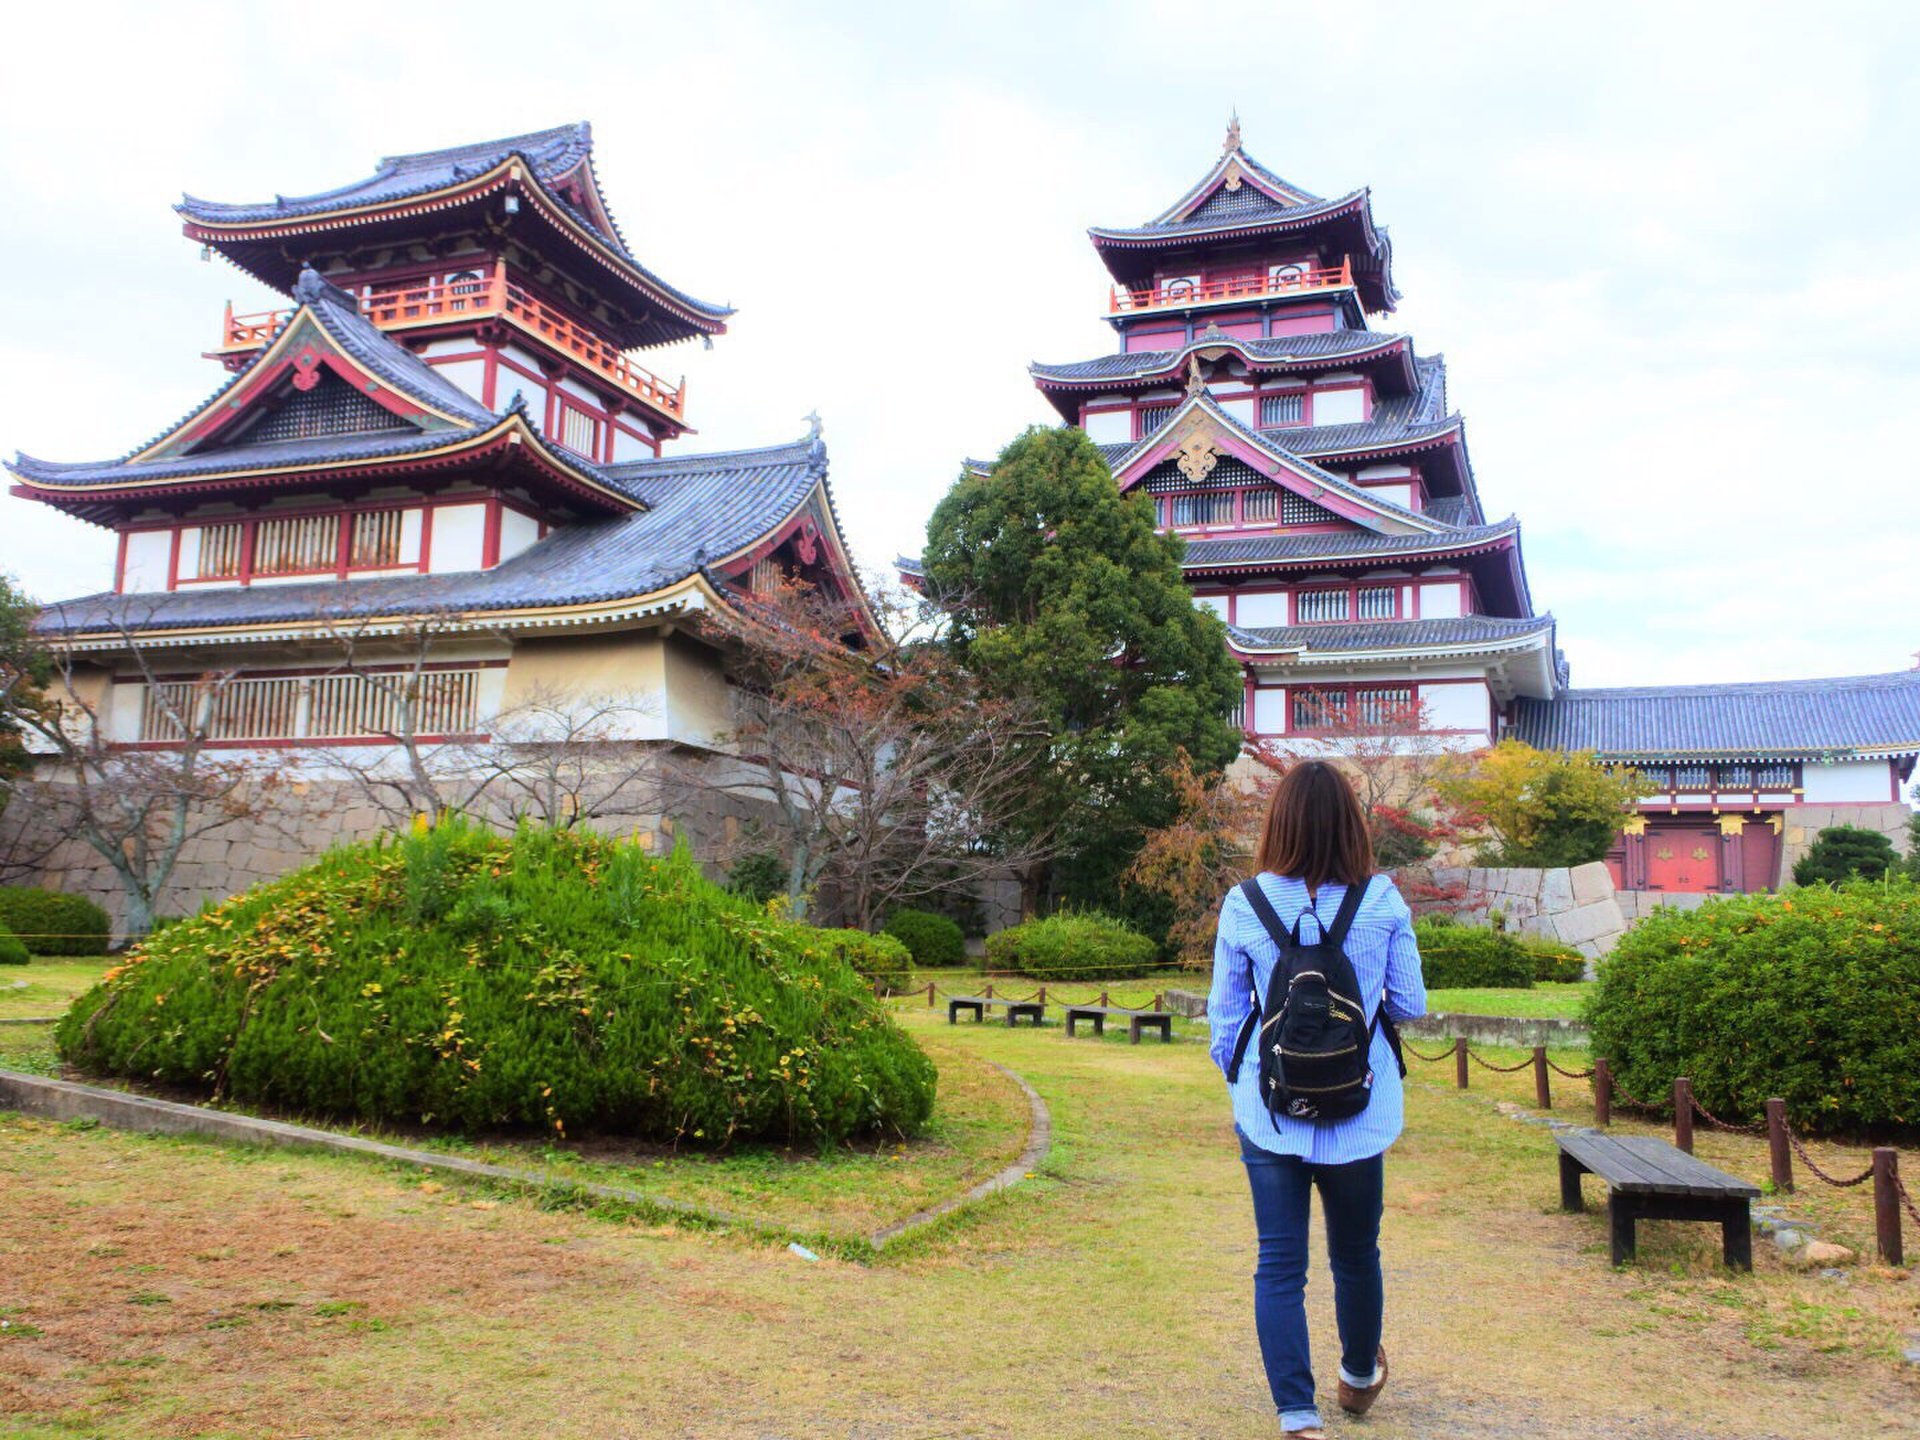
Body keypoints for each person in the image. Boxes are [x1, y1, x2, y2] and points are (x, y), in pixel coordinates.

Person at [1207, 760, 1428, 1438]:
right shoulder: (1383, 899)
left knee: (1280, 1262)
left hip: (1267, 1112)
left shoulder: (1246, 902)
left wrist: (1243, 1080)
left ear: (1279, 823)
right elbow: (1412, 1005)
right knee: (1357, 1252)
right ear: (1351, 825)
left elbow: (1225, 1017)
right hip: (1361, 1110)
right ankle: (1359, 1379)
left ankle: (1298, 1417)